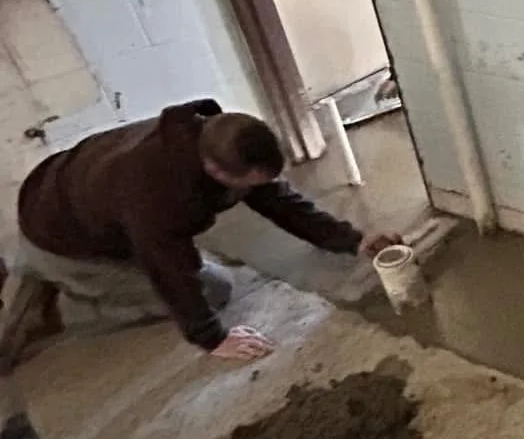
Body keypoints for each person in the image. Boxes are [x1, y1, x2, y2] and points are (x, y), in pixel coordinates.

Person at [0, 99, 398, 368]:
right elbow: (169, 268)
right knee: (212, 291)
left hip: (67, 195)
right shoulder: (158, 196)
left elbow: (279, 201)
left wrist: (351, 239)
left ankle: (47, 276)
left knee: (194, 270)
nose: (256, 190)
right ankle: (64, 302)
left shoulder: (214, 133)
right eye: (247, 184)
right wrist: (212, 339)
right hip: (66, 240)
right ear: (215, 171)